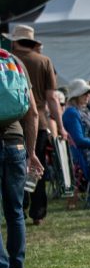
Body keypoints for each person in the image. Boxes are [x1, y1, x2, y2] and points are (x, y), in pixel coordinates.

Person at [6, 25, 66, 226]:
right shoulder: (44, 61)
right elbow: (52, 99)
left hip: (10, 123)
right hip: (38, 122)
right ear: (32, 42)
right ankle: (38, 212)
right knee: (36, 168)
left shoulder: (7, 60)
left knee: (14, 170)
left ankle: (18, 210)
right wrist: (61, 126)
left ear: (15, 41)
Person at [0, 46, 43, 268]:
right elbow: (33, 112)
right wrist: (32, 151)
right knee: (15, 211)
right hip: (16, 143)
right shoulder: (13, 61)